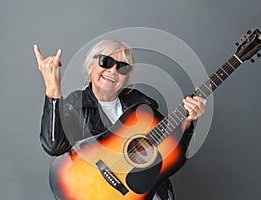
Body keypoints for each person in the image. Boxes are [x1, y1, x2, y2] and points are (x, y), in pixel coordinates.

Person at [34, 40, 206, 200]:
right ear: (90, 66)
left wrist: (187, 121)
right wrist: (53, 91)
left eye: (123, 67)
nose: (113, 71)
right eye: (106, 62)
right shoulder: (74, 106)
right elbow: (54, 145)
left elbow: (171, 153)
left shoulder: (141, 105)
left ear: (127, 77)